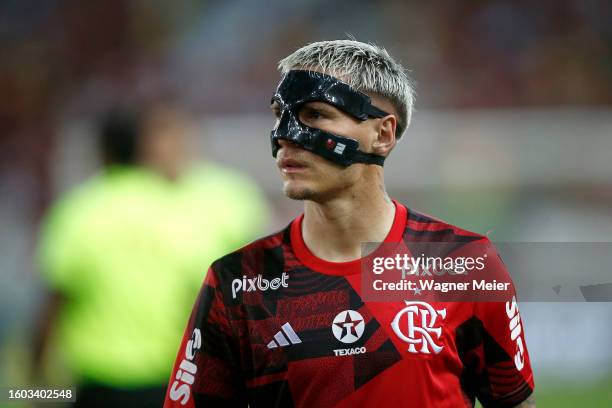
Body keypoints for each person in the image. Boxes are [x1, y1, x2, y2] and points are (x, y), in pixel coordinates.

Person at [163, 40, 535, 408]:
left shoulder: (464, 262)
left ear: (383, 134)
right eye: (280, 114)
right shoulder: (237, 281)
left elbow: (513, 401)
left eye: (315, 114)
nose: (284, 134)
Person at [35, 103, 268, 407]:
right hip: (172, 374)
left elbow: (54, 299)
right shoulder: (179, 209)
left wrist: (35, 381)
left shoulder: (79, 208)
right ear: (142, 146)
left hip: (96, 382)